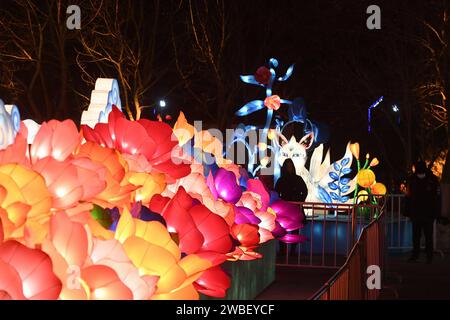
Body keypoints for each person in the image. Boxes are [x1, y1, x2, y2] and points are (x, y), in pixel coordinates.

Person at [405, 160, 441, 263]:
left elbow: (437, 197)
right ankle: (416, 255)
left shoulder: (432, 180)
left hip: (428, 213)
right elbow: (408, 196)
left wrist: (436, 212)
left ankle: (428, 256)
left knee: (428, 235)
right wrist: (408, 211)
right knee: (416, 235)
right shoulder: (412, 180)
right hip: (417, 212)